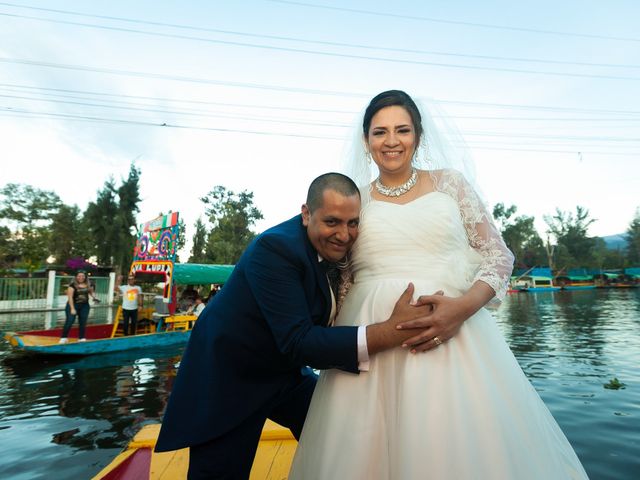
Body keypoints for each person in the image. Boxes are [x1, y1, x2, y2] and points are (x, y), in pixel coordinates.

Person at [289, 91, 589, 479]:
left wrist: (461, 310)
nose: (392, 141)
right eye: (380, 132)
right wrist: (329, 338)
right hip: (370, 337)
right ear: (366, 141)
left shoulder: (451, 185)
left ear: (418, 135)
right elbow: (343, 274)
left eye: (402, 130)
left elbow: (499, 256)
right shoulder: (355, 200)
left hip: (452, 334)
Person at [154, 173, 446, 479]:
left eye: (352, 223)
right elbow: (299, 341)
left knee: (338, 431)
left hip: (282, 374)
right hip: (229, 382)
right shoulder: (275, 249)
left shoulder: (337, 253)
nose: (344, 235)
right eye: (332, 222)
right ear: (306, 214)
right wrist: (389, 331)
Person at [59, 271, 98, 343]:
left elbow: (91, 292)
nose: (81, 277)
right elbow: (70, 297)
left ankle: (81, 337)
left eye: (83, 276)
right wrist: (72, 308)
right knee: (70, 321)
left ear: (85, 277)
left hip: (85, 306)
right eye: (79, 276)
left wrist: (94, 297)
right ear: (76, 277)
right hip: (73, 305)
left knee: (83, 322)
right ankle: (64, 337)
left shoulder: (89, 284)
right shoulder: (72, 285)